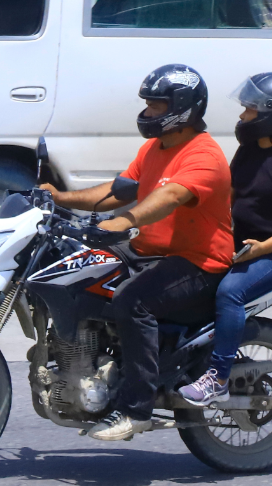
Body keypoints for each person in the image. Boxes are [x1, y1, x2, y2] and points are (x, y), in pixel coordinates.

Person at [41, 64, 234, 441]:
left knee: (134, 301)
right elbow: (121, 190)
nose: (147, 112)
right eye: (147, 104)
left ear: (183, 108)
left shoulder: (204, 156)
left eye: (157, 106)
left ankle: (136, 409)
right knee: (81, 271)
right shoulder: (154, 147)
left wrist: (119, 223)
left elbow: (170, 197)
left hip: (197, 262)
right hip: (149, 251)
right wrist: (59, 200)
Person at [179, 73, 272, 406]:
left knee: (231, 293)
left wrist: (262, 248)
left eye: (249, 111)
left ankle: (218, 378)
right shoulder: (249, 150)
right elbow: (226, 194)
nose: (242, 116)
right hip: (243, 246)